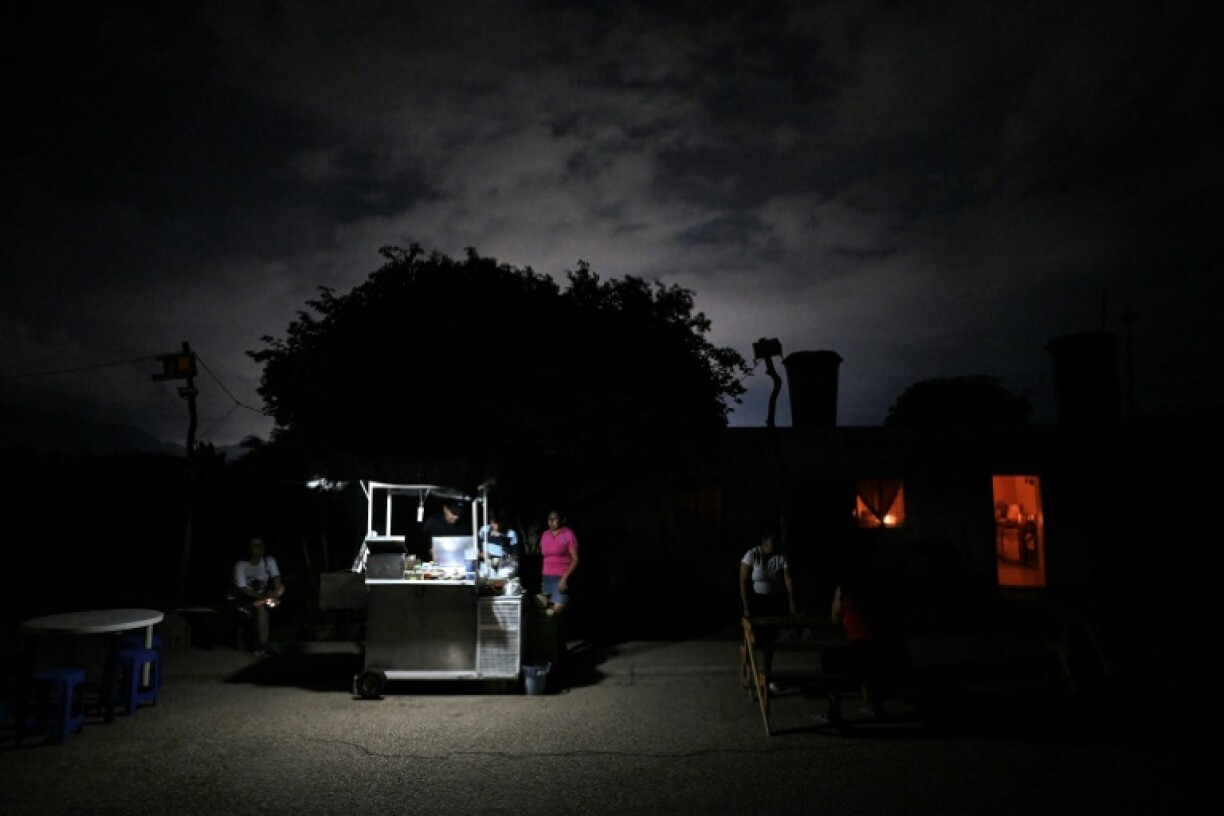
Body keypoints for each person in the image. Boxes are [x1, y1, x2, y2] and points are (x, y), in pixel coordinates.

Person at [812, 564, 911, 725]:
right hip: (895, 651)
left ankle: (834, 712)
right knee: (867, 660)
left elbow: (835, 617)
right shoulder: (881, 587)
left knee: (830, 658)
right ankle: (876, 706)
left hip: (866, 650)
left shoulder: (845, 589)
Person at [739, 529, 797, 691]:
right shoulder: (752, 554)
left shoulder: (781, 556)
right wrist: (746, 606)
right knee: (754, 638)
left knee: (768, 639)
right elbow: (743, 581)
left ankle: (766, 674)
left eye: (776, 541)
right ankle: (749, 670)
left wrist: (792, 604)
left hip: (773, 600)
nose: (774, 544)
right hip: (756, 600)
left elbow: (788, 580)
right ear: (764, 541)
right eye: (771, 541)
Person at [232, 536, 285, 657]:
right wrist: (264, 597)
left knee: (264, 608)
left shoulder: (269, 561)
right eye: (256, 545)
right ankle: (262, 647)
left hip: (261, 597)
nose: (260, 548)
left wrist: (276, 593)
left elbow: (276, 579)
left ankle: (262, 647)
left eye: (261, 544)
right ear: (249, 549)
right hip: (244, 598)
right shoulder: (241, 565)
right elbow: (244, 589)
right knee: (261, 609)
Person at [539, 510, 578, 614]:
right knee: (546, 611)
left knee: (557, 611)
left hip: (560, 578)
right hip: (546, 577)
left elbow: (576, 559)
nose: (551, 522)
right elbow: (545, 557)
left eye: (554, 519)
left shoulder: (568, 534)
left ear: (562, 520)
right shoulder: (545, 534)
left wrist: (565, 578)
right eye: (549, 519)